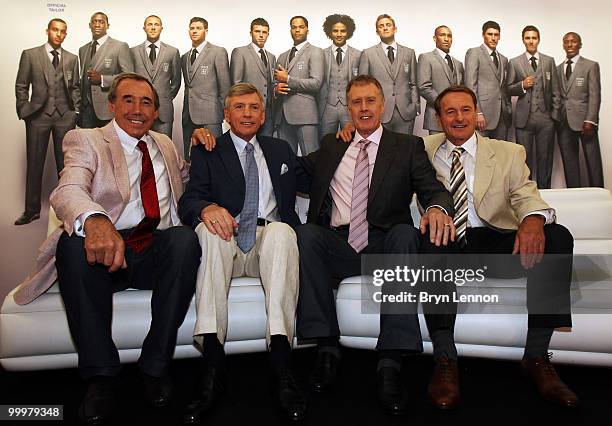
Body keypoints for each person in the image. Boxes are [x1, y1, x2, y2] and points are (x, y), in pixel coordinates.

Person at [13, 73, 200, 424]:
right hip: (105, 250)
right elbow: (67, 189)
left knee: (184, 240)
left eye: (146, 102)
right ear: (111, 104)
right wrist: (97, 221)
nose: (137, 109)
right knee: (72, 243)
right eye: (128, 100)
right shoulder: (86, 139)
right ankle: (101, 377)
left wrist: (208, 145)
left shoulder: (165, 143)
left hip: (153, 251)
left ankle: (154, 366)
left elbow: (187, 179)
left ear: (157, 110)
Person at [296, 75, 456, 415]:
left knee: (406, 233)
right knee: (307, 234)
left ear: (382, 106)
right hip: (339, 246)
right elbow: (287, 169)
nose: (364, 108)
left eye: (370, 101)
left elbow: (433, 189)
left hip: (385, 246)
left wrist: (439, 208)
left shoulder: (407, 146)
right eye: (357, 102)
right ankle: (326, 347)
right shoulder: (332, 145)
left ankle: (390, 361)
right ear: (348, 108)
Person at [422, 85, 577, 408]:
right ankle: (445, 360)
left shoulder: (508, 151)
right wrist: (351, 129)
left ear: (477, 113)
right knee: (430, 236)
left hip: (493, 241)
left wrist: (533, 219)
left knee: (558, 235)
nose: (459, 117)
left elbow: (525, 194)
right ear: (438, 119)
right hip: (447, 244)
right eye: (450, 112)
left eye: (465, 109)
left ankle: (536, 358)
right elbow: (379, 146)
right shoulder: (420, 149)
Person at [178, 83, 306, 422]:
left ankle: (281, 363)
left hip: (268, 243)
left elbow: (316, 173)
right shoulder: (208, 149)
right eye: (239, 107)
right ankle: (212, 366)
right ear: (226, 113)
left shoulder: (280, 150)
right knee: (213, 232)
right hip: (228, 243)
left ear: (263, 116)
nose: (247, 113)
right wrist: (206, 208)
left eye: (253, 108)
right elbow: (188, 200)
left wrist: (349, 135)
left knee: (281, 231)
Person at [14, 18, 80, 225]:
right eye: (55, 30)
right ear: (47, 31)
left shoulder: (71, 58)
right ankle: (31, 209)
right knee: (35, 163)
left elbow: (75, 86)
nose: (58, 34)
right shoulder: (30, 55)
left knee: (66, 166)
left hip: (64, 117)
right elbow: (21, 85)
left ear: (65, 34)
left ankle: (65, 210)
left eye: (62, 31)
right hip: (38, 117)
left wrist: (75, 111)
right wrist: (25, 110)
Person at [507, 25, 561, 189]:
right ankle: (528, 197)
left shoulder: (549, 61)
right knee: (525, 160)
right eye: (528, 38)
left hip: (546, 120)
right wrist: (522, 85)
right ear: (523, 40)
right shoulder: (514, 62)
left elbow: (556, 90)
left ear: (538, 40)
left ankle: (546, 193)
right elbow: (508, 88)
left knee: (545, 160)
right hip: (524, 120)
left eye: (534, 38)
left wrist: (554, 116)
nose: (531, 41)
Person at [556, 32, 603, 187]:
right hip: (564, 122)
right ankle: (574, 194)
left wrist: (590, 120)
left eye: (573, 41)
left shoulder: (590, 66)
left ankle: (599, 193)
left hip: (585, 122)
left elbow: (595, 94)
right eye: (566, 42)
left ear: (580, 45)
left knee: (593, 161)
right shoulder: (557, 69)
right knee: (570, 164)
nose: (570, 45)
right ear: (563, 45)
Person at [359, 14, 419, 134]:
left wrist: (415, 106)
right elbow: (363, 87)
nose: (385, 28)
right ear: (377, 31)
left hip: (406, 112)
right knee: (383, 150)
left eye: (388, 25)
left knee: (406, 148)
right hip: (380, 111)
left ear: (395, 29)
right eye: (381, 26)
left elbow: (414, 83)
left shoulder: (409, 53)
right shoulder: (368, 54)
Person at [274, 15, 324, 155]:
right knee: (286, 162)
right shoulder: (282, 56)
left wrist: (288, 79)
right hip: (282, 117)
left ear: (307, 30)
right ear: (290, 30)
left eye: (301, 27)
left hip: (305, 115)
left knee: (311, 160)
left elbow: (316, 83)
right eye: (294, 27)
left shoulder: (315, 52)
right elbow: (275, 83)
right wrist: (276, 90)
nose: (297, 30)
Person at [181, 17, 230, 159]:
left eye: (198, 28)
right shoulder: (184, 57)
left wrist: (224, 113)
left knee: (214, 155)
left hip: (211, 114)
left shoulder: (217, 52)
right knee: (190, 156)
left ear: (206, 31)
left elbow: (225, 87)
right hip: (188, 115)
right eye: (192, 28)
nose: (194, 31)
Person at [78, 11, 133, 128]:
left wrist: (102, 79)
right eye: (94, 22)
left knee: (109, 145)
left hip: (107, 109)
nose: (97, 25)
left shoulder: (119, 46)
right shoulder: (83, 49)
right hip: (86, 110)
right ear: (90, 25)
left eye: (101, 22)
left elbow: (128, 77)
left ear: (108, 25)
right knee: (88, 145)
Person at [130, 15, 181, 138]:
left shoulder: (172, 52)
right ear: (144, 28)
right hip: (138, 110)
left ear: (161, 28)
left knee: (164, 149)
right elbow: (129, 82)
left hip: (164, 111)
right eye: (150, 24)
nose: (153, 27)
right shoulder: (132, 52)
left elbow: (176, 82)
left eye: (156, 24)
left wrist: (164, 97)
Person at [464, 21, 512, 140]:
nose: (493, 38)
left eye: (496, 35)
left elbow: (503, 87)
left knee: (500, 154)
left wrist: (508, 109)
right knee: (481, 154)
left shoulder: (504, 59)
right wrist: (477, 113)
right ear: (483, 35)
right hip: (483, 115)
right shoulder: (474, 53)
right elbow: (470, 86)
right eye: (490, 34)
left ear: (499, 36)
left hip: (502, 116)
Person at [230, 18, 276, 136]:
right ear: (251, 33)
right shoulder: (240, 52)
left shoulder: (271, 57)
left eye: (264, 32)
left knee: (267, 148)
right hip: (248, 112)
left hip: (268, 114)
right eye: (257, 31)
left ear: (268, 34)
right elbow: (236, 85)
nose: (261, 35)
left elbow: (270, 84)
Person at [318, 14, 361, 138]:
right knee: (326, 142)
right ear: (329, 32)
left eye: (343, 31)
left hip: (349, 107)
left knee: (351, 141)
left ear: (348, 32)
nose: (339, 34)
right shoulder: (321, 54)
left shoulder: (358, 54)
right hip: (327, 107)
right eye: (335, 31)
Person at [417, 25, 464, 134]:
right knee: (435, 150)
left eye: (449, 36)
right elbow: (424, 87)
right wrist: (444, 104)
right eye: (442, 35)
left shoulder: (458, 64)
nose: (446, 39)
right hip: (435, 117)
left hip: (456, 120)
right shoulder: (426, 58)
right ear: (435, 38)